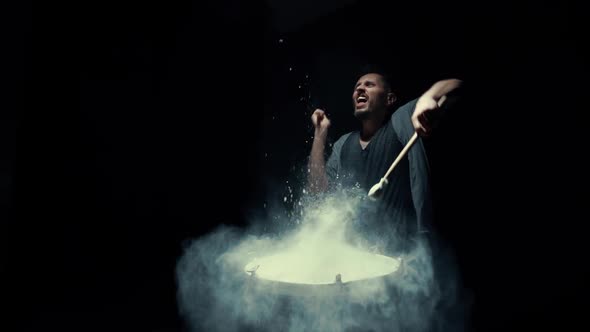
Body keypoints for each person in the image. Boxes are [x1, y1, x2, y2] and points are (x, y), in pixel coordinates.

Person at [307, 67, 462, 252]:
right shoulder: (343, 144)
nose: (360, 89)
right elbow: (318, 195)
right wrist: (319, 134)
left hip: (404, 257)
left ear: (389, 99)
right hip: (356, 259)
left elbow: (455, 85)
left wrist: (429, 97)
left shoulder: (402, 120)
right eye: (357, 86)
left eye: (369, 85)